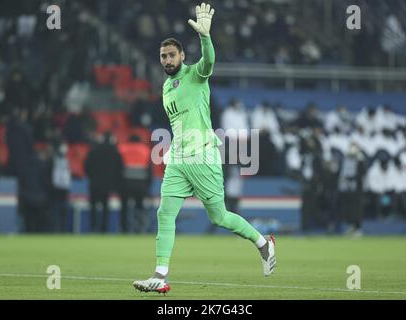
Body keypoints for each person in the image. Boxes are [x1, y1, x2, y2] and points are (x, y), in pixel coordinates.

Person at [133, 3, 276, 294]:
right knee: (165, 213)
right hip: (178, 159)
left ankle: (263, 243)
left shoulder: (195, 75)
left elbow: (208, 62)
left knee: (219, 217)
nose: (167, 59)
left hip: (203, 156)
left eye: (172, 55)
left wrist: (205, 38)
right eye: (163, 56)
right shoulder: (166, 86)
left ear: (182, 56)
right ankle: (160, 275)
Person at [84, 132, 123, 233]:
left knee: (93, 207)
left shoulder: (93, 151)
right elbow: (119, 170)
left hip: (94, 184)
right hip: (107, 185)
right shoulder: (115, 152)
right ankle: (104, 229)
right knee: (105, 207)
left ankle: (92, 228)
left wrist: (92, 177)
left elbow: (86, 167)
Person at [118, 134, 152, 233]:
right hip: (140, 184)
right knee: (139, 207)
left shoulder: (122, 149)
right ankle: (139, 229)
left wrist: (118, 185)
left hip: (126, 183)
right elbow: (149, 171)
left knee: (124, 208)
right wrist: (147, 186)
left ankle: (124, 229)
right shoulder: (145, 150)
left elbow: (118, 169)